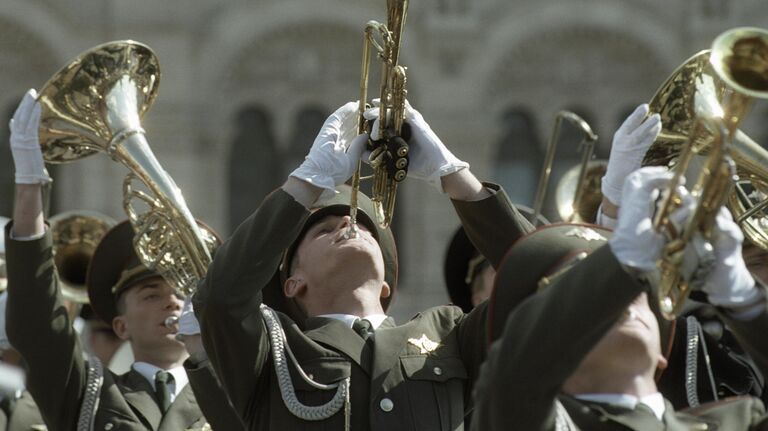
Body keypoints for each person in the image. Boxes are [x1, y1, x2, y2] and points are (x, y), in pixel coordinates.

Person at [194, 100, 534, 430]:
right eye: (324, 230)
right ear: (293, 282)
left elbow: (545, 283)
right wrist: (307, 181)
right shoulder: (275, 351)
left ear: (386, 285)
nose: (347, 225)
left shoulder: (450, 334)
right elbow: (220, 299)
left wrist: (455, 177)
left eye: (365, 228)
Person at [4, 89, 244, 430]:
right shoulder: (92, 393)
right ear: (121, 326)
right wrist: (30, 184)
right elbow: (38, 327)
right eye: (151, 294)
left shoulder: (236, 395)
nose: (172, 303)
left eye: (182, 294)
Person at [472, 167, 768, 430]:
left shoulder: (739, 421)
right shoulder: (527, 419)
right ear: (552, 350)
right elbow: (509, 381)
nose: (622, 304)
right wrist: (621, 261)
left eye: (638, 293)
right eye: (592, 298)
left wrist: (747, 301)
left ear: (662, 355)